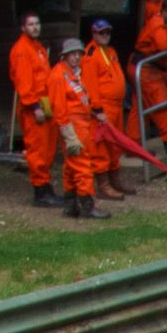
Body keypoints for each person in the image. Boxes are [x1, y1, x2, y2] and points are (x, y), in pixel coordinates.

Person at [48, 36, 108, 219]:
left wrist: (93, 113)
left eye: (77, 53)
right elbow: (58, 108)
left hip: (82, 124)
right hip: (72, 126)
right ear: (63, 56)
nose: (75, 57)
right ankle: (87, 206)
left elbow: (81, 99)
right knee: (82, 166)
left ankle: (71, 206)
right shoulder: (58, 76)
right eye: (71, 54)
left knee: (71, 166)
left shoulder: (73, 73)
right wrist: (68, 134)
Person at [7, 12, 61, 208]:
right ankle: (40, 192)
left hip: (44, 102)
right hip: (33, 106)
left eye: (37, 23)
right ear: (23, 28)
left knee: (47, 146)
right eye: (30, 24)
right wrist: (35, 106)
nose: (35, 27)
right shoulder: (22, 50)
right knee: (37, 148)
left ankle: (46, 188)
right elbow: (24, 83)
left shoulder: (37, 47)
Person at [81, 17, 130, 200]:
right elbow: (90, 84)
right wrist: (97, 109)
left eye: (108, 32)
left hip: (116, 105)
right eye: (102, 32)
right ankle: (103, 185)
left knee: (114, 145)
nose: (106, 35)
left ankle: (115, 179)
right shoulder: (91, 55)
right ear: (94, 33)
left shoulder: (110, 51)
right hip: (103, 107)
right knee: (101, 146)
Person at [134, 0, 167, 146]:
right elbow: (163, 47)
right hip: (145, 68)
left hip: (151, 68)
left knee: (139, 106)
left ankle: (135, 143)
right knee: (161, 102)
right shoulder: (158, 24)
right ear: (164, 11)